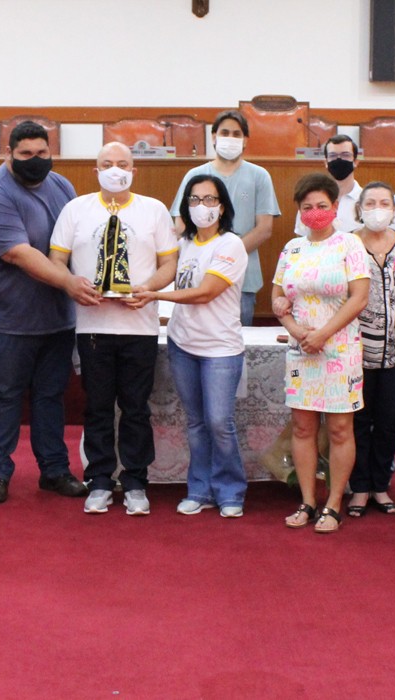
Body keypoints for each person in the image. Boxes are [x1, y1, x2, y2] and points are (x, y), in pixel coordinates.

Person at [49, 142, 178, 516]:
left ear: (134, 170)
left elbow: (170, 263)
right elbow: (56, 259)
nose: (115, 170)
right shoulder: (76, 209)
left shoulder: (153, 210)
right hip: (93, 325)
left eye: (123, 164)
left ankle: (136, 481)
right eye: (107, 164)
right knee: (98, 406)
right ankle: (100, 479)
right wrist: (72, 284)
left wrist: (149, 288)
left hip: (139, 326)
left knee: (136, 408)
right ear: (96, 171)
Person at [0, 121, 90, 504]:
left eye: (42, 153)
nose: (35, 160)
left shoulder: (61, 185)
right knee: (4, 395)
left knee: (50, 396)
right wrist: (69, 283)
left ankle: (54, 470)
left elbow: (76, 239)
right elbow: (20, 254)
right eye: (26, 154)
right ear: (9, 153)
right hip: (9, 320)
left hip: (57, 317)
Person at [128, 174, 246, 518]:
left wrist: (155, 295)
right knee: (195, 423)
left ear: (222, 207)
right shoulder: (185, 244)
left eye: (210, 199)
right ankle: (199, 489)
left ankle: (230, 491)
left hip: (220, 349)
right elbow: (167, 271)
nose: (201, 206)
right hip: (183, 344)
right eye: (194, 200)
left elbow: (206, 292)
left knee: (219, 422)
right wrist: (146, 286)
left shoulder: (230, 245)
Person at [273, 173, 370, 534]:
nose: (314, 212)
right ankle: (307, 500)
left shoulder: (350, 244)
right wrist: (297, 331)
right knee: (303, 427)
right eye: (307, 207)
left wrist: (323, 334)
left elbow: (359, 298)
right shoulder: (292, 248)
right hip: (302, 349)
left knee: (341, 428)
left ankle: (333, 503)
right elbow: (278, 297)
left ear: (335, 207)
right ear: (299, 211)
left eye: (321, 205)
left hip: (340, 349)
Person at [171, 110, 280, 324]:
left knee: (235, 336)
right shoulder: (195, 175)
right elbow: (180, 223)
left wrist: (227, 254)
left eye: (236, 134)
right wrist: (207, 254)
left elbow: (264, 228)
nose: (230, 138)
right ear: (214, 137)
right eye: (225, 133)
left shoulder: (259, 176)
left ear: (245, 140)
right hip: (197, 273)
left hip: (242, 278)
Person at [346, 182, 395, 517]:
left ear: (394, 209)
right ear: (359, 209)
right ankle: (359, 487)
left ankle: (381, 485)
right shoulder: (345, 244)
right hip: (354, 353)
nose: (377, 209)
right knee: (357, 422)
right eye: (370, 203)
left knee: (389, 422)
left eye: (384, 203)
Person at [315, 134, 364, 234]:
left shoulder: (366, 200)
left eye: (345, 155)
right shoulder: (313, 199)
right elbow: (302, 236)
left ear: (356, 162)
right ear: (326, 162)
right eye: (332, 155)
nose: (339, 160)